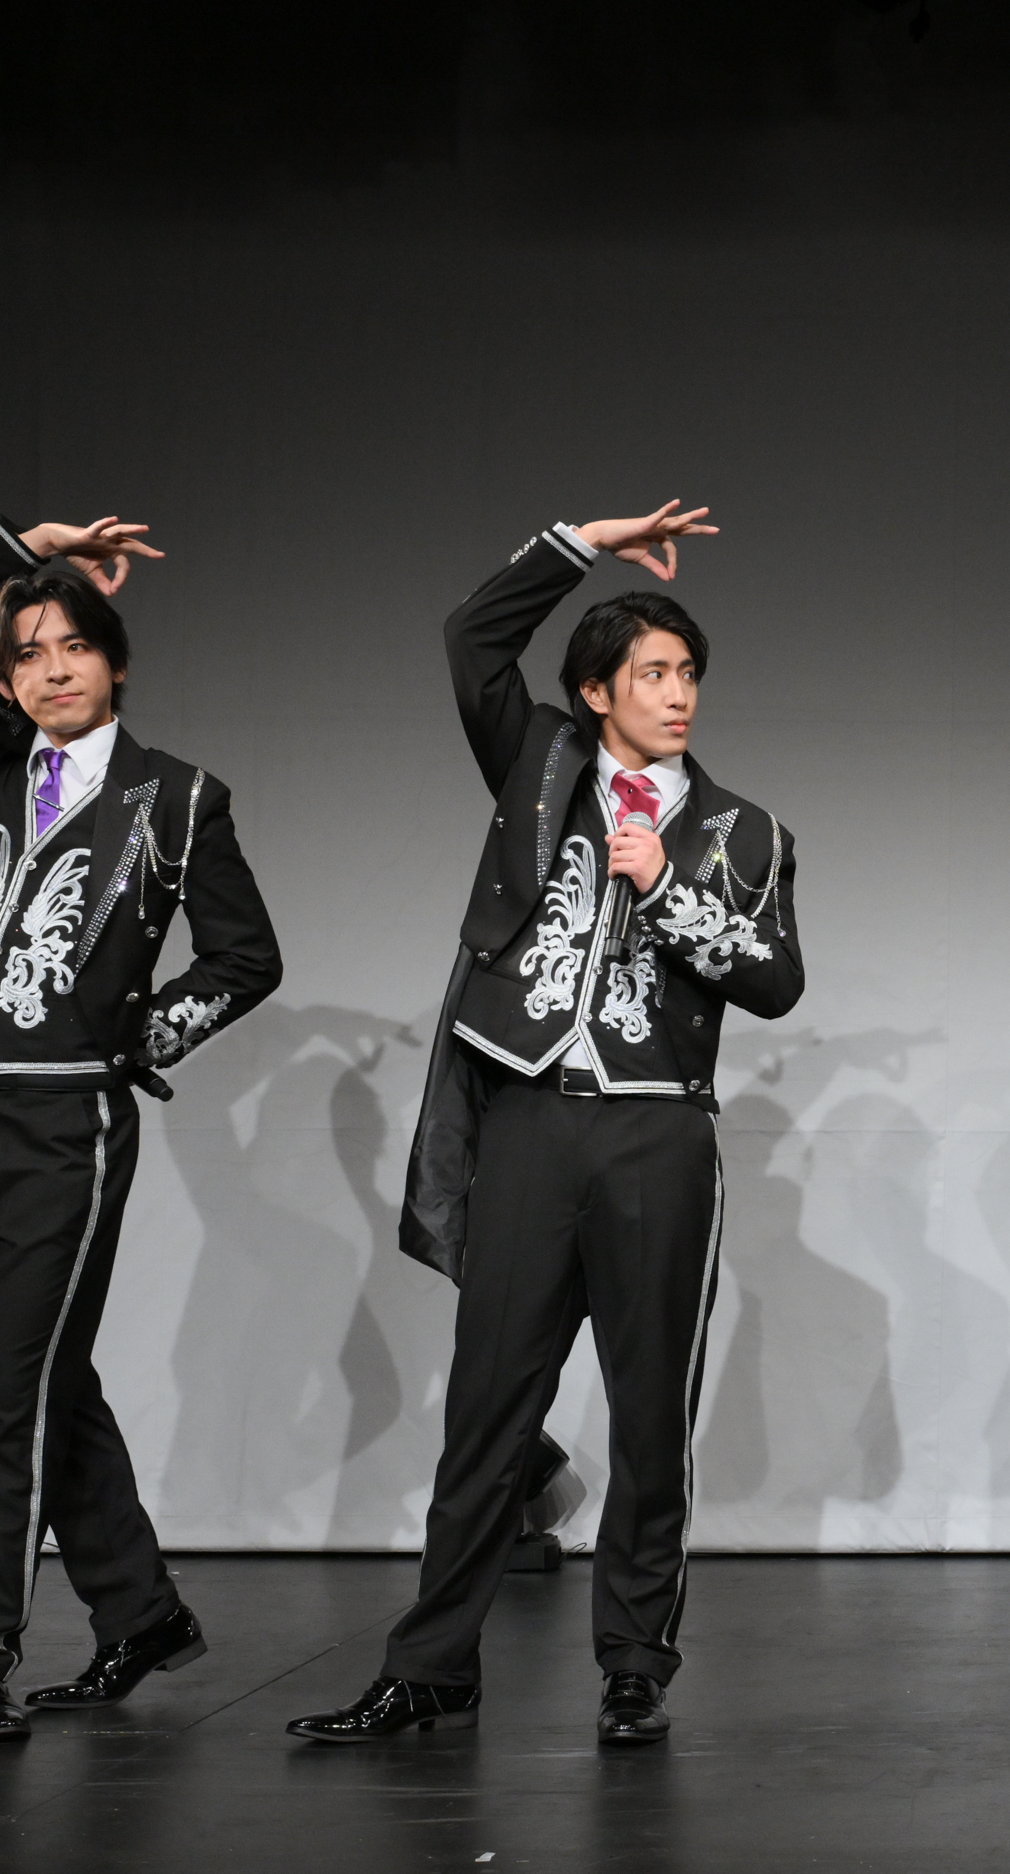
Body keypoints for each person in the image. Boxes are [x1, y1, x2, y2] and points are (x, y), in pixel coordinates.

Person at [288, 500, 801, 1748]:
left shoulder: (744, 830)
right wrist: (582, 541)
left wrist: (668, 891)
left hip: (657, 1136)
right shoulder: (540, 768)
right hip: (527, 1121)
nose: (678, 694)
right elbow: (472, 636)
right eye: (653, 673)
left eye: (688, 674)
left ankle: (634, 1663)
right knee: (488, 1407)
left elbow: (776, 978)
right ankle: (432, 1665)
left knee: (648, 1415)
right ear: (594, 690)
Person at [0, 513, 283, 1741]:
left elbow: (247, 956)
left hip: (61, 1130)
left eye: (74, 645)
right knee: (40, 1379)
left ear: (117, 660)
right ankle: (141, 1610)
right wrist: (17, 542)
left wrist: (144, 1037)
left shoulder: (178, 797)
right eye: (28, 651)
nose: (51, 669)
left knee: (11, 1397)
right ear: (4, 677)